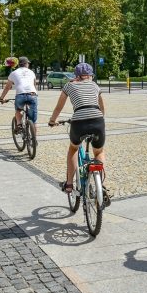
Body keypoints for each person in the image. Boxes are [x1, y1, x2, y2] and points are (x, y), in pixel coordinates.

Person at [48, 63, 110, 206]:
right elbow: (102, 106)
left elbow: (59, 106)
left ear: (76, 75)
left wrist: (52, 121)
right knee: (99, 151)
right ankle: (101, 184)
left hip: (78, 122)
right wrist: (100, 120)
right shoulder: (94, 85)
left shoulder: (69, 85)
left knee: (73, 149)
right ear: (90, 74)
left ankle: (69, 184)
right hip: (98, 121)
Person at [0, 56, 38, 135]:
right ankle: (34, 140)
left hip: (20, 95)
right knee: (33, 121)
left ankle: (19, 125)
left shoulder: (13, 73)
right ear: (26, 64)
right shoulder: (32, 72)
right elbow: (34, 85)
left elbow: (7, 88)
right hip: (32, 94)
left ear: (19, 64)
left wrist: (1, 98)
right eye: (28, 63)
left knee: (18, 110)